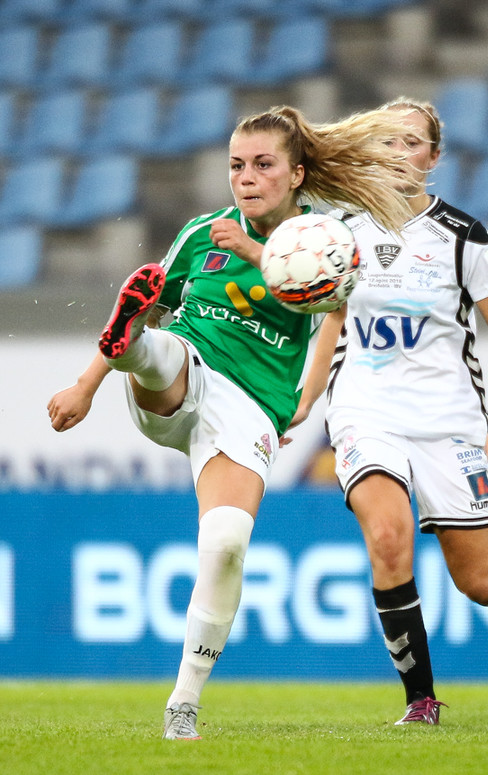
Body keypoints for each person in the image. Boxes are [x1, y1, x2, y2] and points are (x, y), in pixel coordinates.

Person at [46, 104, 417, 740]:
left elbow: (332, 305)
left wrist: (307, 396)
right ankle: (132, 352)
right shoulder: (201, 233)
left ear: (297, 174)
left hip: (250, 405)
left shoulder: (323, 237)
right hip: (189, 368)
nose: (246, 177)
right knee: (159, 346)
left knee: (225, 543)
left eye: (263, 165)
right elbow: (153, 301)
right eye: (237, 165)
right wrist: (84, 386)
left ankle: (183, 703)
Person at [290, 97, 488, 725]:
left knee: (483, 585)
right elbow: (334, 321)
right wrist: (306, 400)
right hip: (365, 413)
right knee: (387, 534)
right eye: (389, 141)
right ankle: (421, 701)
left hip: (449, 422)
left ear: (434, 157)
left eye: (413, 143)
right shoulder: (342, 230)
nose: (400, 153)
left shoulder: (463, 236)